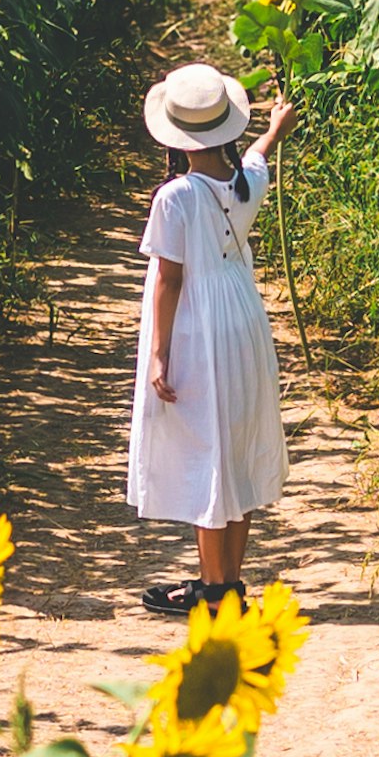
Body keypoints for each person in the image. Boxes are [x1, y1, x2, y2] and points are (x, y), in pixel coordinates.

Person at [128, 57, 296, 615]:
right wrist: (277, 125)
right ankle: (228, 584)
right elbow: (258, 154)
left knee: (206, 449)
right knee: (237, 450)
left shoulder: (175, 197)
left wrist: (158, 354)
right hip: (244, 322)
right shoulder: (245, 182)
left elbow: (170, 279)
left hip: (199, 329)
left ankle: (213, 589)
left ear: (173, 138)